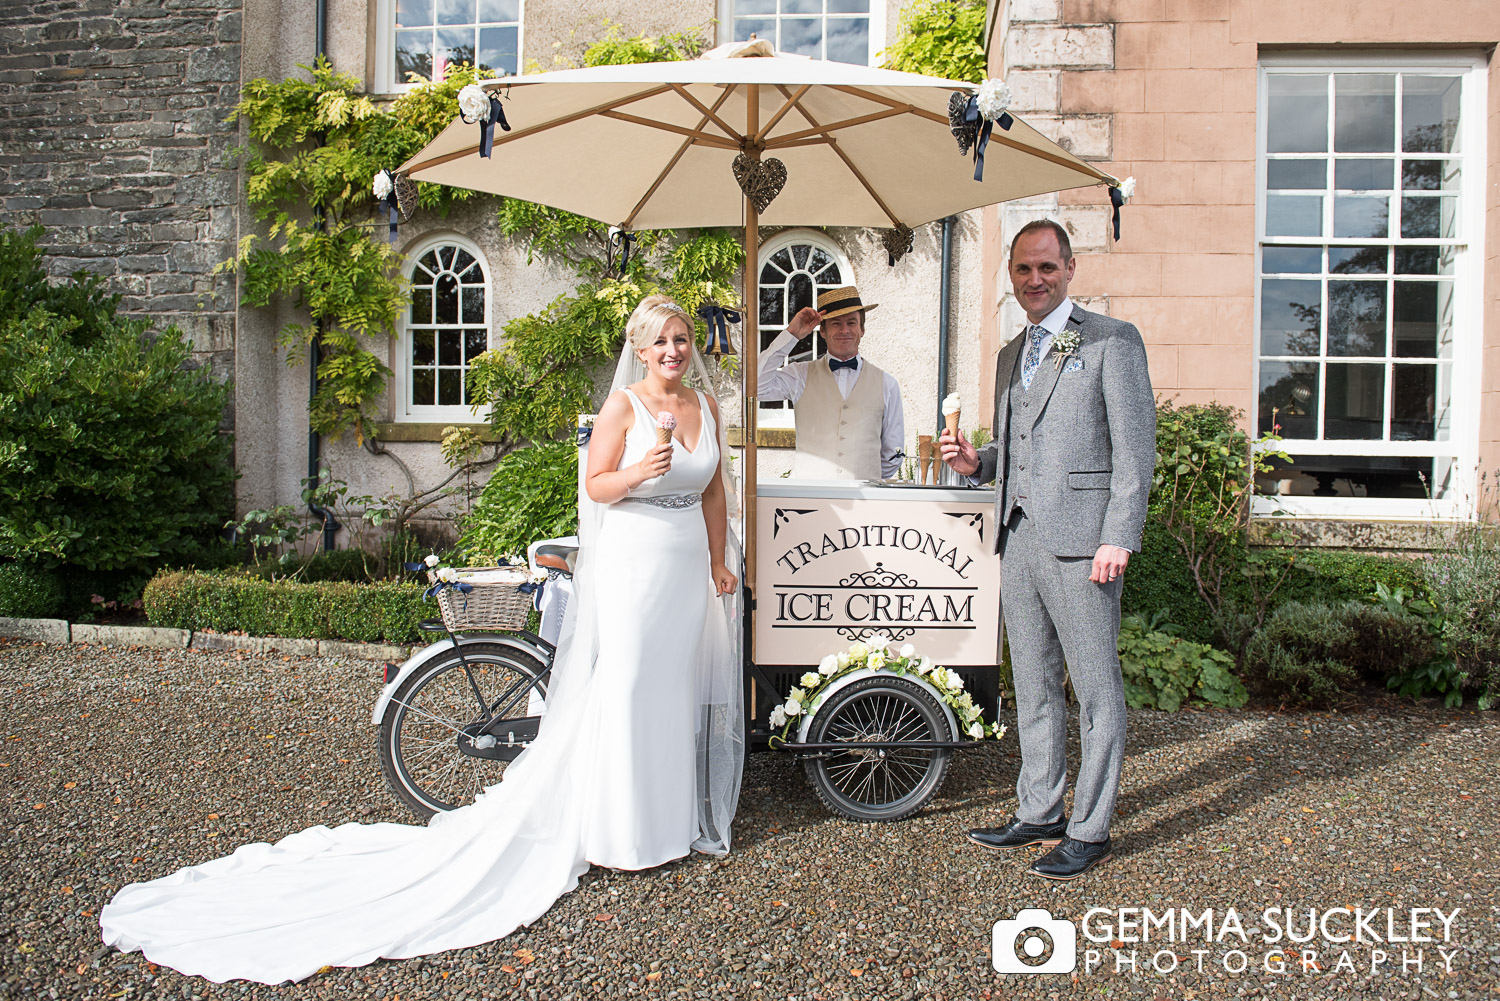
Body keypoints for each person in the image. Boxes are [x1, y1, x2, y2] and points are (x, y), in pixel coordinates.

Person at [99, 295, 745, 982]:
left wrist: (715, 560)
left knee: (672, 689)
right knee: (628, 686)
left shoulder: (705, 408)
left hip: (682, 568)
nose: (674, 350)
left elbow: (711, 494)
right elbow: (597, 484)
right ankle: (622, 832)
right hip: (635, 565)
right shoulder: (624, 407)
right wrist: (636, 474)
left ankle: (672, 825)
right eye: (661, 342)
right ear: (640, 349)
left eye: (680, 339)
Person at [939, 220, 1155, 880]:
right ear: (1011, 275)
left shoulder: (1111, 341)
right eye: (1024, 269)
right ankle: (1040, 809)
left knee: (1094, 690)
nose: (1035, 279)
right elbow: (1024, 448)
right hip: (1020, 536)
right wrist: (980, 462)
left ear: (1070, 268)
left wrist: (1119, 533)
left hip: (1086, 542)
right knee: (1030, 686)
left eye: (1047, 268)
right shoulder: (1011, 354)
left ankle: (1090, 827)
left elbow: (1134, 450)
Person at [758, 284, 905, 480]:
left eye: (852, 323)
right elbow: (755, 387)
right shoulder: (800, 375)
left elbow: (892, 454)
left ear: (862, 329)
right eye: (836, 323)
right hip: (810, 500)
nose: (845, 330)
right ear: (823, 332)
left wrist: (866, 478)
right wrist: (791, 335)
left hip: (863, 501)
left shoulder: (887, 384)